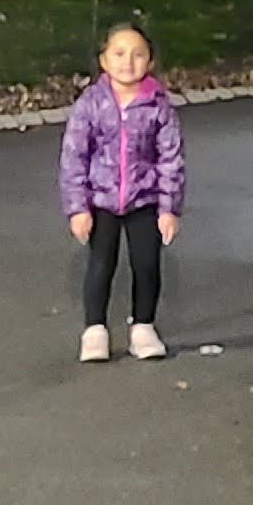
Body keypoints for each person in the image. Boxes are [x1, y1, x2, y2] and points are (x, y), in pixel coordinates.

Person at [61, 21, 185, 362]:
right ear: (103, 60)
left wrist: (169, 208)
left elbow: (171, 158)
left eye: (137, 54)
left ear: (150, 61)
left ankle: (143, 327)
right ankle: (95, 330)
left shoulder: (158, 105)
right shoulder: (90, 103)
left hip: (145, 199)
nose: (127, 62)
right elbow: (74, 156)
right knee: (101, 264)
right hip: (100, 201)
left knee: (147, 264)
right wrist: (78, 207)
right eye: (118, 53)